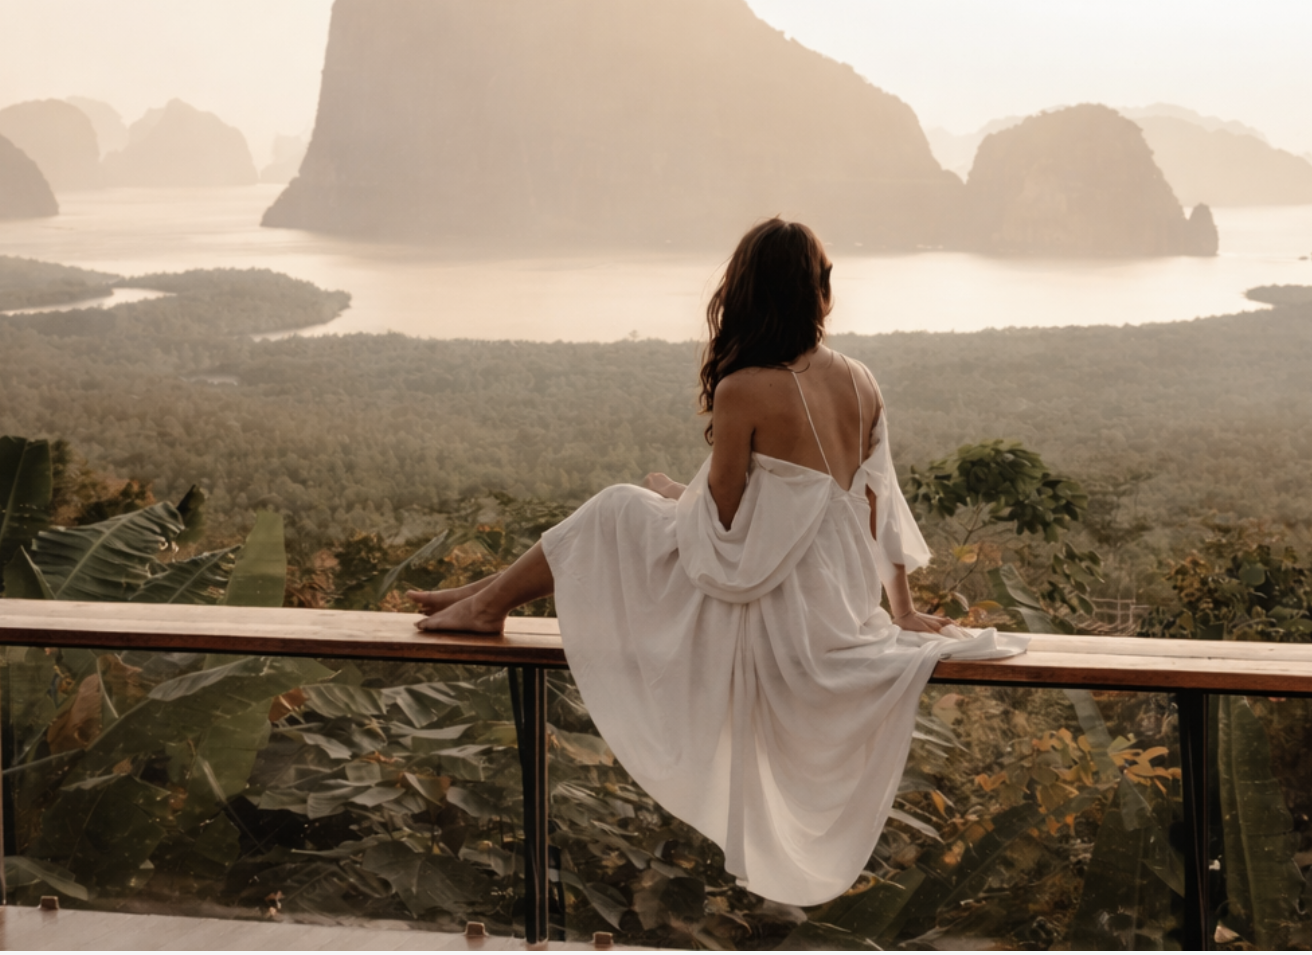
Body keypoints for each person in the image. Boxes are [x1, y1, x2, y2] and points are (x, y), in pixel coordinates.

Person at [413, 217, 1025, 905]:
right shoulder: (861, 380)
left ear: (747, 294)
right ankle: (482, 595)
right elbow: (880, 506)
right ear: (817, 292)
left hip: (778, 604)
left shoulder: (745, 388)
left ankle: (485, 602)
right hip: (839, 597)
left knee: (617, 507)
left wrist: (678, 497)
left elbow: (725, 519)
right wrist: (903, 609)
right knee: (622, 512)